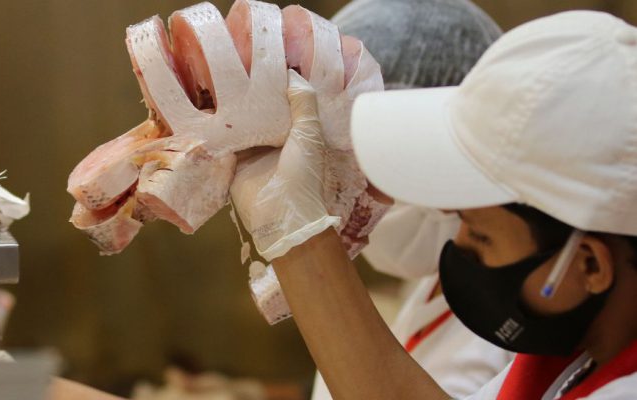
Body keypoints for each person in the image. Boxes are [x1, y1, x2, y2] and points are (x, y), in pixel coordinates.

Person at [233, 10, 636, 399]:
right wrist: (293, 231)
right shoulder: (570, 359)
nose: (458, 241)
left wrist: (295, 232)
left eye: (482, 235)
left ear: (590, 265)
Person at [313, 1, 514, 398]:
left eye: (379, 157)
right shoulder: (433, 285)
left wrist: (299, 246)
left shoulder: (513, 324)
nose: (357, 188)